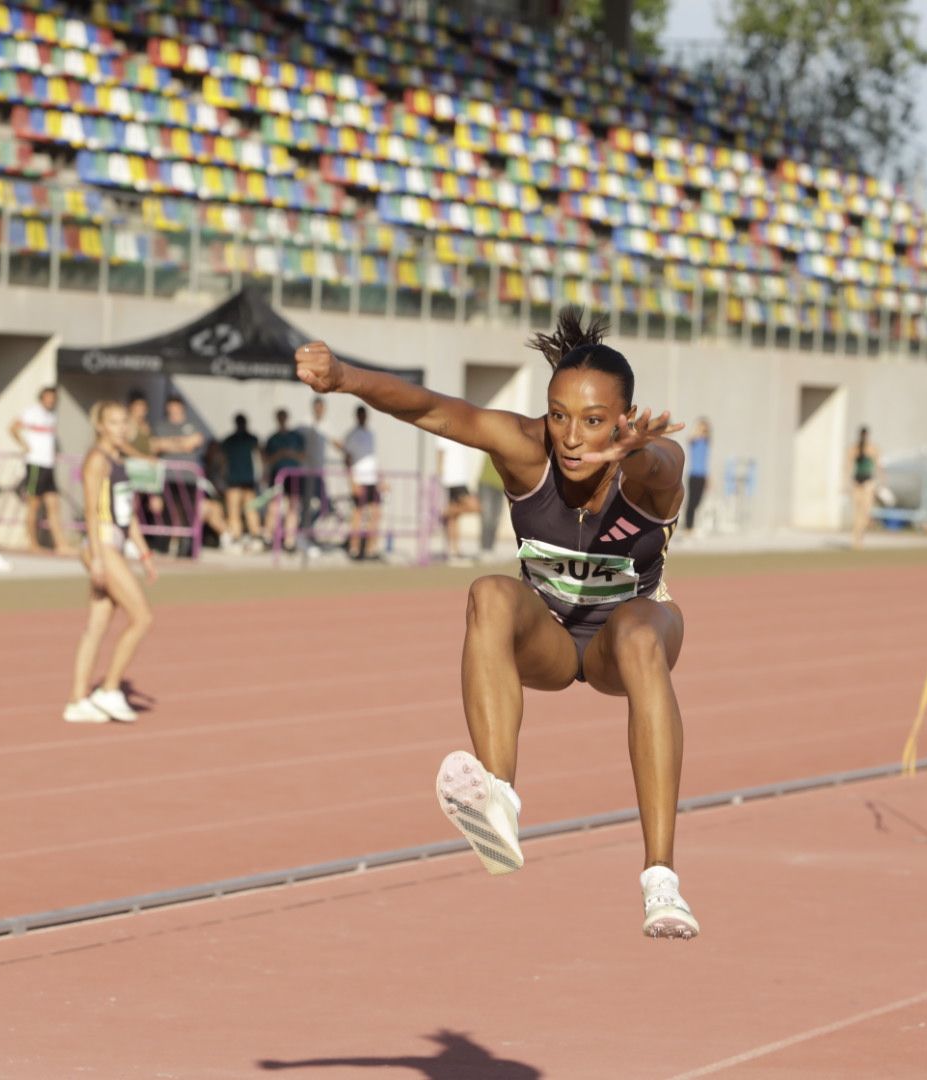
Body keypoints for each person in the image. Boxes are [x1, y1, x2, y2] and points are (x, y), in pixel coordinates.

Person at [294, 308, 699, 939]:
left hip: (625, 638)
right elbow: (434, 410)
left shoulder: (650, 463)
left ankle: (661, 882)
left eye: (593, 422)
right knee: (487, 591)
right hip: (554, 640)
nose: (570, 437)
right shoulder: (526, 448)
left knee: (644, 632)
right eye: (558, 415)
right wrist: (345, 375)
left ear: (624, 418)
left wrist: (633, 454)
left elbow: (663, 472)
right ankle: (498, 798)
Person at [64, 400, 156, 724]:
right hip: (101, 543)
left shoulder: (119, 459)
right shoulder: (96, 460)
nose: (121, 428)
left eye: (124, 422)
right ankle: (109, 689)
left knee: (97, 625)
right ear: (101, 426)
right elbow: (90, 511)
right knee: (142, 617)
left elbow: (126, 514)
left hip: (114, 540)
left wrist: (144, 553)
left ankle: (77, 700)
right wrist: (99, 559)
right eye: (114, 423)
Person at [10, 385, 74, 555]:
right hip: (35, 465)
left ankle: (61, 544)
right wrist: (24, 445)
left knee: (54, 506)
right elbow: (13, 427)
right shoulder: (32, 412)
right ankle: (32, 544)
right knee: (33, 506)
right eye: (48, 397)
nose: (51, 401)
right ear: (42, 398)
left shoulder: (52, 415)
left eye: (53, 398)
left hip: (48, 466)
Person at [151, 394, 207, 554]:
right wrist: (181, 443)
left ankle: (188, 546)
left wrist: (170, 444)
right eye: (171, 407)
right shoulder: (161, 426)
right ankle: (164, 544)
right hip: (167, 477)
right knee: (167, 512)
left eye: (177, 407)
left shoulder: (193, 425)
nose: (174, 410)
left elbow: (193, 443)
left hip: (189, 477)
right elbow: (156, 445)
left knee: (189, 511)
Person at [341, 405, 382, 560]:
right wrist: (352, 482)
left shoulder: (370, 433)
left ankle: (371, 549)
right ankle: (354, 548)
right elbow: (347, 459)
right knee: (357, 514)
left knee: (375, 514)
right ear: (356, 416)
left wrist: (380, 479)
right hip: (359, 479)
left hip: (372, 480)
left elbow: (373, 459)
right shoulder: (352, 435)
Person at [263, 407, 305, 551]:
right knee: (274, 506)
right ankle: (268, 537)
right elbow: (266, 459)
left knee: (292, 507)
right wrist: (279, 455)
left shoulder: (296, 437)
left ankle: (289, 540)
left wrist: (290, 453)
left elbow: (302, 456)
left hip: (293, 476)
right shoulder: (272, 438)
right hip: (277, 475)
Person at [220, 413, 264, 550]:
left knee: (240, 511)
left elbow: (222, 460)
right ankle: (243, 538)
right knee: (243, 511)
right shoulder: (244, 439)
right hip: (240, 479)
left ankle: (246, 538)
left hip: (240, 479)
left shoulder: (234, 440)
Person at [294, 396, 332, 538]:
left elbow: (333, 440)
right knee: (306, 504)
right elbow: (295, 440)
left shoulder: (326, 424)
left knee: (325, 505)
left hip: (319, 471)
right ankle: (302, 532)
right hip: (306, 471)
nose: (320, 410)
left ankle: (306, 528)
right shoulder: (304, 424)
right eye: (318, 407)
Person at [438, 436, 479, 562]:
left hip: (461, 479)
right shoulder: (443, 434)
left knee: (454, 518)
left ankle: (454, 550)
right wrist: (440, 475)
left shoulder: (459, 432)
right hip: (452, 479)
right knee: (474, 506)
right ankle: (442, 513)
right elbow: (440, 453)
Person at [851, 425, 882, 549]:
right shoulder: (855, 448)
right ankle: (856, 540)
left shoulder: (872, 448)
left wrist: (881, 481)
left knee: (865, 512)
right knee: (858, 512)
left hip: (868, 482)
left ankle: (860, 537)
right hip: (857, 482)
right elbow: (848, 465)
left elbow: (878, 465)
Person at [476, 452, 506, 555]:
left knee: (496, 519)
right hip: (486, 483)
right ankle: (485, 548)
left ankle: (490, 548)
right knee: (487, 518)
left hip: (501, 486)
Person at [684, 417, 711, 533]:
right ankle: (688, 528)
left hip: (702, 476)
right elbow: (689, 438)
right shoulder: (694, 440)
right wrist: (698, 429)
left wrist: (709, 478)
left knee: (698, 501)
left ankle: (691, 526)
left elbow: (706, 461)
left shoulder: (706, 441)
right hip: (693, 476)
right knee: (691, 502)